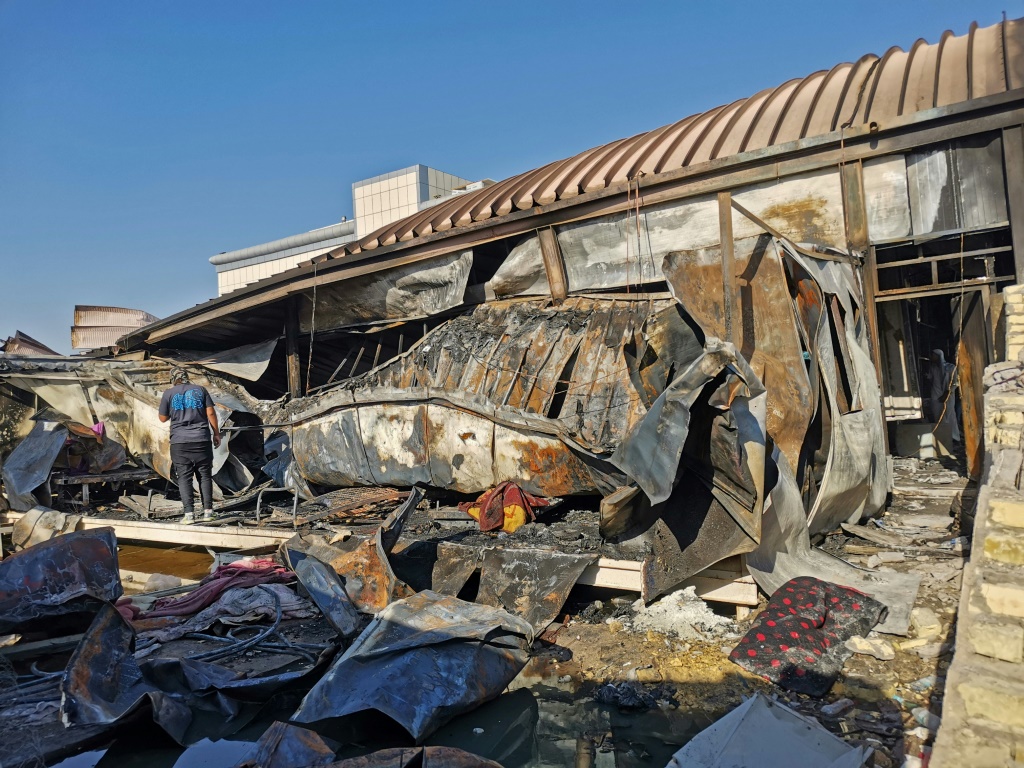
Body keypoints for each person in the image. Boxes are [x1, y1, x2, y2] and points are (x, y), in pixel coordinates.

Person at [158, 367, 221, 524]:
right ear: (187, 377)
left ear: (173, 379)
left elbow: (162, 418)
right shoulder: (200, 390)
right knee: (205, 476)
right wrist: (216, 434)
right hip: (201, 440)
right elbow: (211, 413)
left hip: (180, 442)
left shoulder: (168, 393)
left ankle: (189, 515)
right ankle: (208, 513)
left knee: (184, 478)